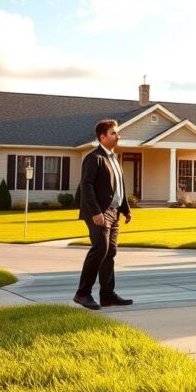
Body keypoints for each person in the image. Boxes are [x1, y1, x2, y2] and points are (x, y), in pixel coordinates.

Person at [74, 119, 133, 310]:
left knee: (110, 252)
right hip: (99, 213)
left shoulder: (114, 158)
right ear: (102, 137)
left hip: (114, 212)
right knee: (100, 248)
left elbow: (119, 187)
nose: (118, 136)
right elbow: (86, 186)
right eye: (114, 133)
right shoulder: (94, 158)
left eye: (117, 133)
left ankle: (107, 295)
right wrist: (96, 212)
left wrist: (125, 209)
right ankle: (82, 294)